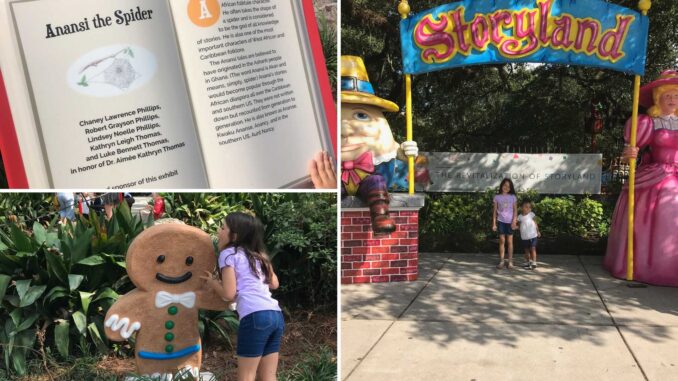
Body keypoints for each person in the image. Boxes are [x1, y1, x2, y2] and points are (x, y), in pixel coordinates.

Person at [604, 70, 678, 286]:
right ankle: (655, 266)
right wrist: (630, 153)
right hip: (659, 175)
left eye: (676, 96)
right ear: (658, 98)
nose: (673, 100)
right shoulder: (648, 123)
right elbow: (629, 153)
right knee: (669, 201)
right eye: (668, 96)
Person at [201, 212, 283, 381]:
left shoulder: (229, 255)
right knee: (269, 376)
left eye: (223, 227)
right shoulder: (259, 255)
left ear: (235, 235)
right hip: (275, 315)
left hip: (255, 317)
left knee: (246, 376)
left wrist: (212, 283)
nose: (219, 230)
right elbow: (274, 284)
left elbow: (229, 294)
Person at [492, 178, 518, 269]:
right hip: (501, 221)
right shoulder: (497, 197)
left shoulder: (513, 197)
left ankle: (510, 261)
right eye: (505, 185)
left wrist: (514, 221)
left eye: (508, 186)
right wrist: (494, 224)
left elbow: (515, 210)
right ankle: (502, 261)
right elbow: (494, 211)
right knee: (502, 242)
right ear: (501, 185)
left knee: (510, 242)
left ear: (510, 188)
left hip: (510, 222)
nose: (506, 187)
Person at [517, 200, 540, 270]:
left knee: (533, 248)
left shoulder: (531, 214)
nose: (528, 208)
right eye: (526, 207)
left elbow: (535, 223)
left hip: (533, 235)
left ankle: (534, 262)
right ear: (521, 208)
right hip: (524, 236)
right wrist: (515, 227)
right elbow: (519, 225)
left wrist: (538, 231)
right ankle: (528, 262)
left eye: (529, 207)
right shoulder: (519, 216)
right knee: (526, 250)